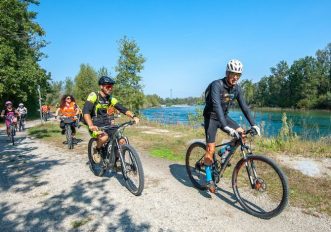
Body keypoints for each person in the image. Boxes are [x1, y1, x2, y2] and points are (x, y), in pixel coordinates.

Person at [203, 59, 261, 193]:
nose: (236, 77)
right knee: (210, 151)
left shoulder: (237, 89)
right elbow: (216, 106)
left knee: (242, 135)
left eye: (238, 75)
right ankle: (209, 179)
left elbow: (245, 108)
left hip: (224, 117)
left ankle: (223, 152)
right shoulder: (216, 85)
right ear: (227, 73)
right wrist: (226, 127)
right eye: (233, 73)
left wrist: (254, 124)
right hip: (211, 117)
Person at [83, 76, 139, 157]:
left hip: (107, 123)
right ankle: (97, 149)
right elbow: (86, 111)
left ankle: (116, 160)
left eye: (111, 86)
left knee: (122, 140)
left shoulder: (110, 98)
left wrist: (134, 116)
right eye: (108, 86)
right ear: (101, 86)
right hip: (94, 124)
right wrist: (91, 125)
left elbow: (122, 108)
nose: (110, 88)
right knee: (104, 137)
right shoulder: (94, 95)